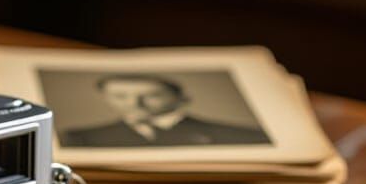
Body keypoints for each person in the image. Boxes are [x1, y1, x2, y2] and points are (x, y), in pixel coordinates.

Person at [62, 73, 271, 147]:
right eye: (120, 96)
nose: (135, 104)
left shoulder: (238, 135)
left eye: (152, 96)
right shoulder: (80, 137)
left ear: (181, 99)